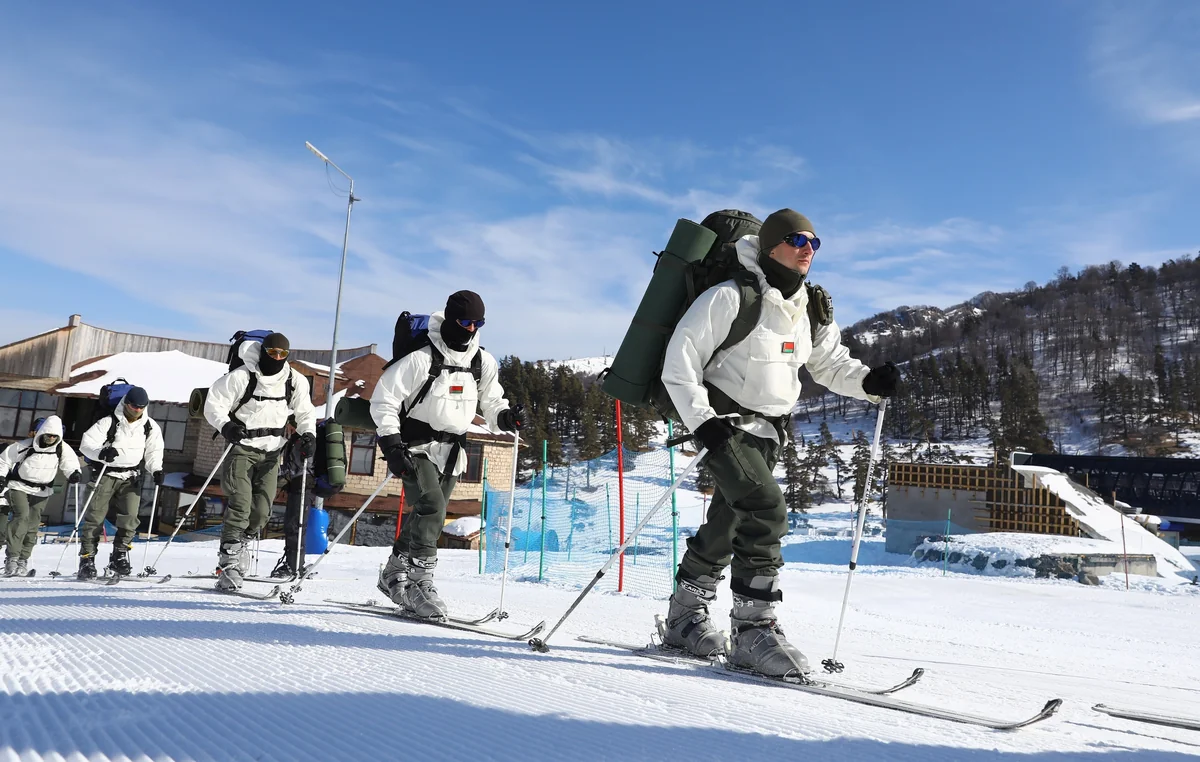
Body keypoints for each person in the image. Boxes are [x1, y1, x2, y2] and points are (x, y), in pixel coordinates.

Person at [660, 208, 901, 677]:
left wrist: (869, 380)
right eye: (797, 239)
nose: (808, 249)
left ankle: (683, 617)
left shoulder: (810, 306)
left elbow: (829, 364)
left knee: (731, 518)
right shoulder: (730, 296)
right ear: (771, 245)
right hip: (724, 424)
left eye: (814, 242)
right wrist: (701, 420)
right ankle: (753, 630)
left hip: (770, 431)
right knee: (766, 508)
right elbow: (680, 359)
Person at [372, 290, 524, 619]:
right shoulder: (421, 358)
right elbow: (383, 399)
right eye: (466, 322)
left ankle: (393, 570)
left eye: (478, 323)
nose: (471, 329)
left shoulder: (483, 361)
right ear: (452, 319)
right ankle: (419, 583)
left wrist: (505, 417)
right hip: (414, 445)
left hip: (453, 449)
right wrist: (391, 445)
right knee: (431, 506)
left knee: (431, 516)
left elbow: (492, 401)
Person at [204, 333, 316, 591]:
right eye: (272, 352)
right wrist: (227, 426)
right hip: (242, 447)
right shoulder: (242, 376)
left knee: (262, 512)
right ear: (263, 350)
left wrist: (307, 433)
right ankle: (229, 562)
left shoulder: (293, 380)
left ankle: (241, 543)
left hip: (272, 452)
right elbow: (214, 404)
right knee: (240, 503)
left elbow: (305, 410)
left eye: (282, 354)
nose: (276, 358)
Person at [77, 386, 164, 579]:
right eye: (134, 406)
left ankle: (120, 555)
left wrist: (156, 469)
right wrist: (101, 453)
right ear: (126, 403)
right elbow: (86, 443)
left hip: (131, 476)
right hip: (105, 473)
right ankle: (87, 559)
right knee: (95, 517)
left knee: (130, 517)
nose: (137, 410)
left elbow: (154, 451)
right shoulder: (108, 422)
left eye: (141, 407)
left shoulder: (150, 427)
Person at [0, 415, 82, 576]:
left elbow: (70, 462)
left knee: (33, 523)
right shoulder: (25, 446)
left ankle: (23, 559)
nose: (51, 438)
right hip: (18, 486)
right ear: (42, 433)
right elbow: (4, 460)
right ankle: (12, 558)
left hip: (42, 490)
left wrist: (74, 473)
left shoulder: (61, 448)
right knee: (21, 516)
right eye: (48, 435)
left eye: (54, 436)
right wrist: (1, 476)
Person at [270, 424, 314, 579]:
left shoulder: (302, 440)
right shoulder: (300, 439)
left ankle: (294, 565)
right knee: (296, 524)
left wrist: (272, 472)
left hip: (302, 486)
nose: (287, 427)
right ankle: (294, 563)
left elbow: (294, 468)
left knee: (295, 525)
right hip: (300, 486)